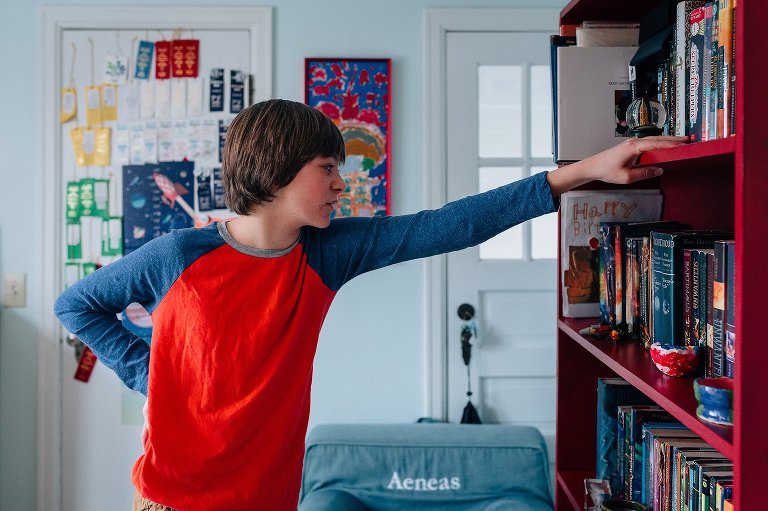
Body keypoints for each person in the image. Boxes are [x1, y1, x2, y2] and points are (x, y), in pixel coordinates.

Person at [54, 98, 687, 511]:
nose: (340, 183)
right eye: (327, 167)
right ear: (275, 171)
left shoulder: (327, 255)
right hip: (169, 501)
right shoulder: (178, 257)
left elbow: (452, 225)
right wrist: (154, 374)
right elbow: (77, 305)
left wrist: (579, 172)